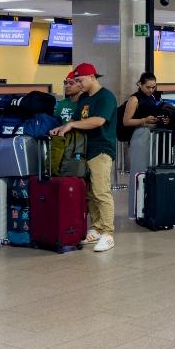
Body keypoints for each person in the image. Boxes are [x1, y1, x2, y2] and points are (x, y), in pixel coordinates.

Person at [50, 63, 118, 250]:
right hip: (84, 151)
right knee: (89, 193)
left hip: (101, 150)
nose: (78, 84)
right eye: (76, 81)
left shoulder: (106, 97)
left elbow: (98, 121)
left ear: (92, 77)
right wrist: (65, 126)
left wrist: (72, 125)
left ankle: (108, 233)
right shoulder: (84, 98)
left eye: (80, 80)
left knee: (101, 191)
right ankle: (96, 228)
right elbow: (79, 119)